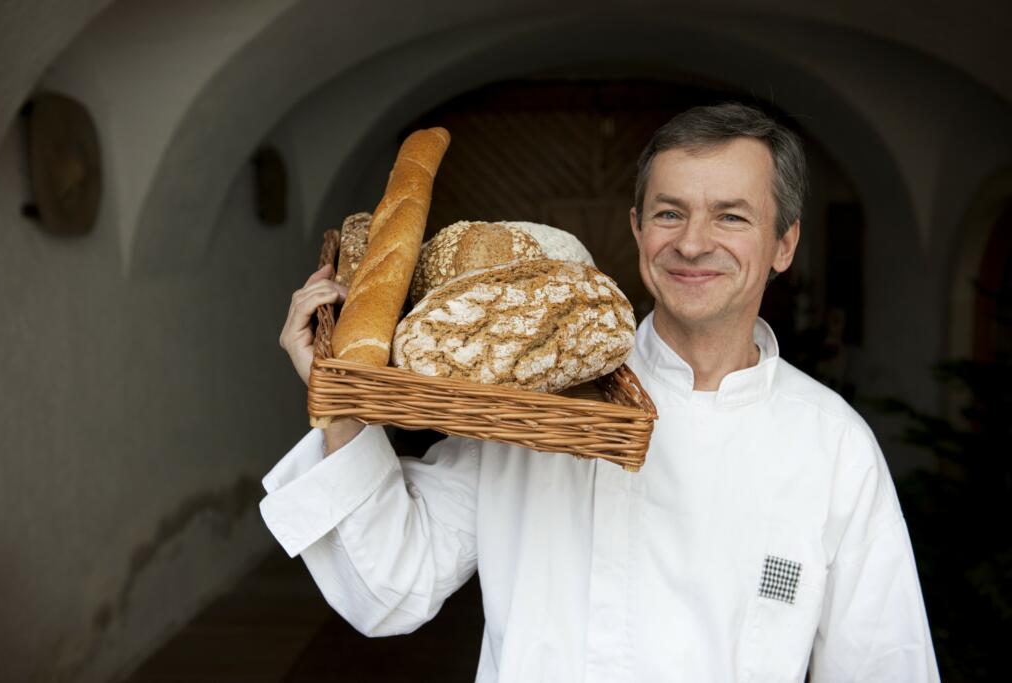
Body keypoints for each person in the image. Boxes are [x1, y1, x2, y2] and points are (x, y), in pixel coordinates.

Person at [262, 103, 939, 682]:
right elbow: (393, 583)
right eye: (670, 212)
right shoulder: (537, 397)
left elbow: (886, 666)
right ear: (639, 230)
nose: (693, 242)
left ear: (784, 242)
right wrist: (342, 405)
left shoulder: (833, 446)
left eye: (731, 216)